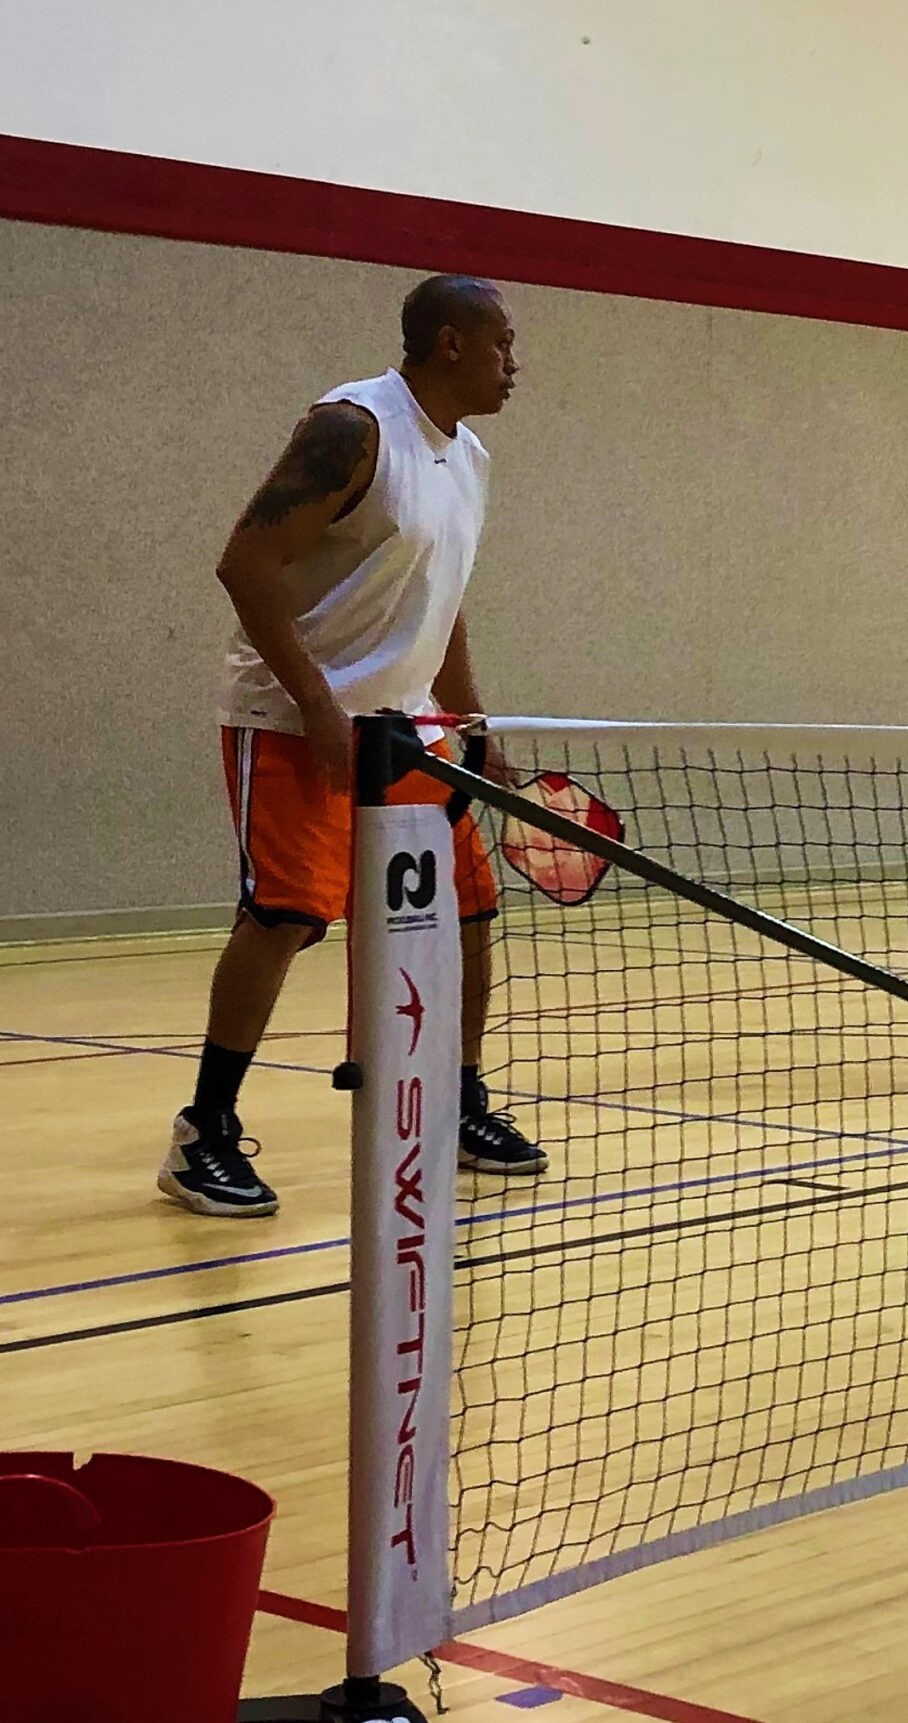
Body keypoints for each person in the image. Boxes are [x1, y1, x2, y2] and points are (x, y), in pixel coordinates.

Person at [161, 275, 545, 1218]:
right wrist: (317, 703)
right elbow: (244, 563)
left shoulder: (471, 457)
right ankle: (203, 1132)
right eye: (502, 342)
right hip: (295, 719)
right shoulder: (352, 428)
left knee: (468, 907)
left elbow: (439, 603)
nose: (514, 362)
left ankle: (456, 1102)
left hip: (406, 730)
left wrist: (471, 724)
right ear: (450, 343)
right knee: (286, 914)